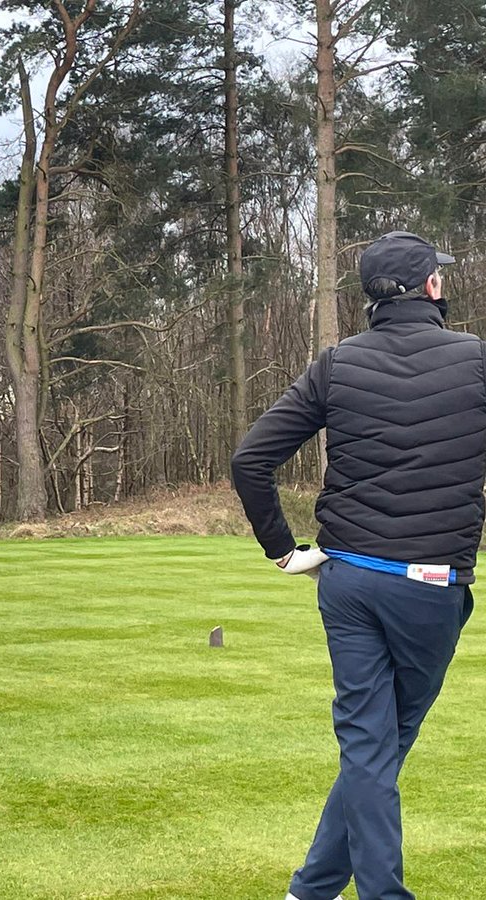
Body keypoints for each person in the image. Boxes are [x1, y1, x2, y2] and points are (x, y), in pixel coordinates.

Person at [231, 231, 478, 900]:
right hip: (429, 588)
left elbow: (250, 461)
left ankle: (310, 890)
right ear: (431, 286)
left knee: (372, 751)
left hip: (348, 582)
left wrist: (284, 550)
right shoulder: (476, 361)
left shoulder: (337, 362)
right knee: (382, 748)